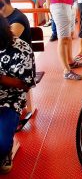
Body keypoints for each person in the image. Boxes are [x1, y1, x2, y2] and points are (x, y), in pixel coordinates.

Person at [0, 16, 36, 173]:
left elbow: (25, 84)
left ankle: (5, 150)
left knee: (1, 144)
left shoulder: (20, 48)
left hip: (9, 100)